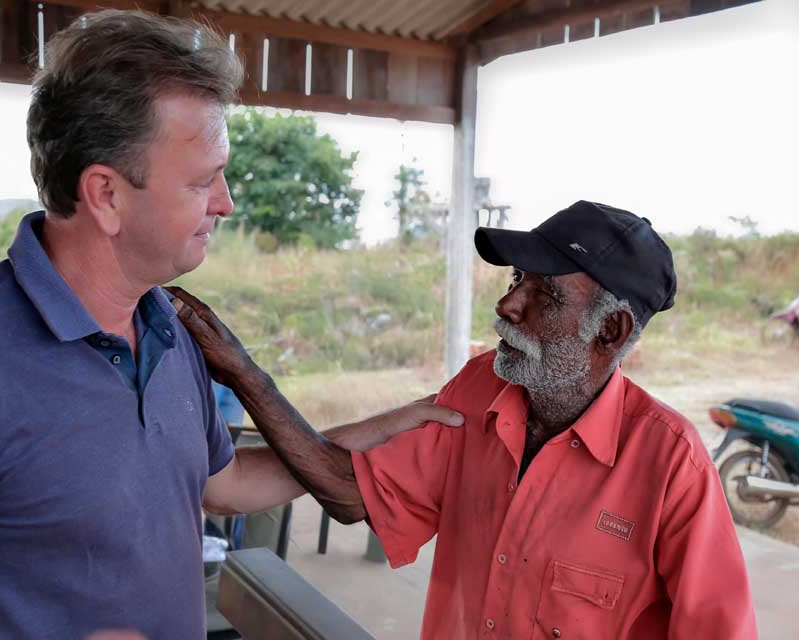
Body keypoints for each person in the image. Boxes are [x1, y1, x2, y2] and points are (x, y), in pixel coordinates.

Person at [0, 11, 462, 640]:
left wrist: (377, 431)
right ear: (107, 196)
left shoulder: (167, 325)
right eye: (204, 180)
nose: (226, 202)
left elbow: (223, 485)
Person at [172, 200, 759, 639]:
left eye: (544, 294)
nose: (508, 305)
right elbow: (353, 493)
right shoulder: (483, 389)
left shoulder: (670, 464)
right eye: (514, 281)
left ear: (609, 331)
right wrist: (246, 375)